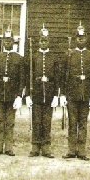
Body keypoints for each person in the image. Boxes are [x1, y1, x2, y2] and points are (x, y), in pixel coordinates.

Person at [62, 23, 90, 160]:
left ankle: (82, 151)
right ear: (75, 39)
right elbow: (64, 75)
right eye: (78, 38)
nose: (81, 40)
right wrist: (64, 94)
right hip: (72, 94)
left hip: (86, 94)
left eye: (83, 38)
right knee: (72, 123)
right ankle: (71, 150)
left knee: (83, 123)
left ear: (86, 39)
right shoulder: (69, 55)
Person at [25, 25, 62, 158]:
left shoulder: (54, 57)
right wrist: (28, 95)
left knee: (47, 121)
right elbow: (28, 76)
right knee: (36, 120)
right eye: (41, 40)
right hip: (36, 92)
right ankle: (35, 147)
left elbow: (57, 77)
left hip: (50, 92)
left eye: (46, 40)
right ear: (39, 41)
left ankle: (46, 147)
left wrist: (57, 95)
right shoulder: (33, 57)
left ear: (49, 41)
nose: (43, 42)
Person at [0, 28, 24, 156]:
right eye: (5, 40)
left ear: (13, 42)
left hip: (12, 95)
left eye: (9, 40)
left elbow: (21, 79)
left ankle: (9, 148)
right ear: (3, 42)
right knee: (0, 122)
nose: (7, 42)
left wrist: (19, 96)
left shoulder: (19, 58)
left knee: (10, 122)